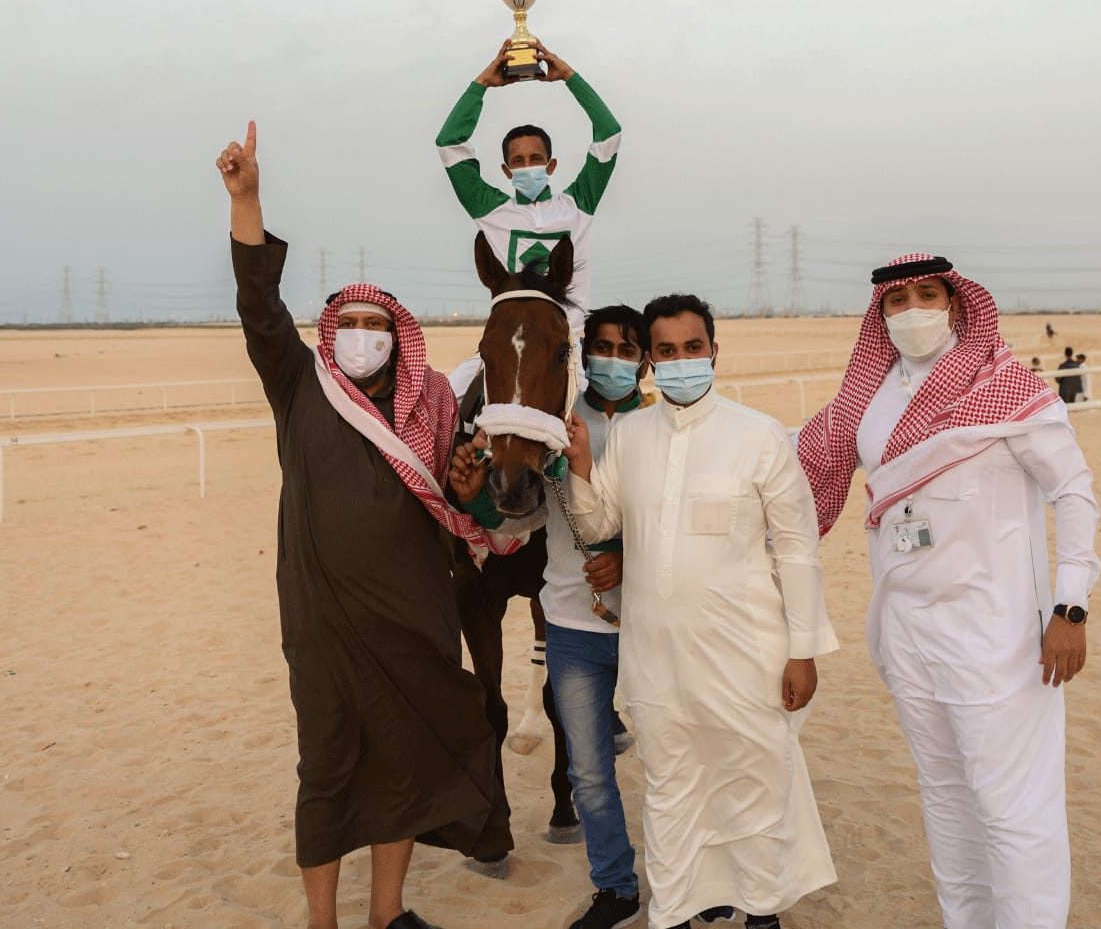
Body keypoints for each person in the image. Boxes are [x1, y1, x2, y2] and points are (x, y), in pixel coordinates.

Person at [217, 121, 512, 929]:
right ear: (327, 334)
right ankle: (323, 921)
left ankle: (387, 914)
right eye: (349, 324)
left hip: (416, 613)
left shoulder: (434, 406)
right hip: (321, 616)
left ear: (399, 339)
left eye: (378, 327)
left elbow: (475, 508)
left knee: (406, 761)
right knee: (328, 766)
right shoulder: (298, 386)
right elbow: (256, 304)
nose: (362, 337)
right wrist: (248, 201)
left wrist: (476, 489)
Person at [797, 253, 1101, 929]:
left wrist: (1071, 606)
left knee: (1012, 808)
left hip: (998, 633)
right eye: (896, 301)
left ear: (957, 304)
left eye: (926, 294)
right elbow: (797, 455)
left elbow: (1074, 493)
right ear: (880, 314)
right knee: (944, 797)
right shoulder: (869, 401)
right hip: (906, 629)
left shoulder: (1009, 386)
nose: (912, 311)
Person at [562, 293, 838, 929]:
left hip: (746, 655)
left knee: (753, 783)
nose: (682, 360)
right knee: (671, 788)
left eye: (694, 348)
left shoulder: (760, 436)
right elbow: (600, 519)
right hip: (655, 658)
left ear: (715, 351)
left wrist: (804, 650)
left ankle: (762, 911)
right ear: (651, 364)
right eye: (667, 352)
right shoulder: (630, 435)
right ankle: (678, 910)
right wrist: (580, 465)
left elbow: (798, 552)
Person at [450, 305, 651, 929]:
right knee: (592, 776)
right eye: (603, 347)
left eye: (627, 349)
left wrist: (624, 558)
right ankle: (616, 890)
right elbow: (528, 519)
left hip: (654, 622)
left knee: (676, 764)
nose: (612, 359)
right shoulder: (551, 425)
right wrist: (474, 502)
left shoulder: (663, 425)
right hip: (573, 621)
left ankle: (699, 882)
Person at [435, 39, 622, 341]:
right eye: (518, 161)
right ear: (507, 171)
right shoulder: (489, 209)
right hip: (510, 345)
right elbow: (449, 144)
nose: (527, 165)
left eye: (536, 159)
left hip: (570, 345)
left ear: (551, 166)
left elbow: (609, 133)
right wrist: (483, 83)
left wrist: (568, 76)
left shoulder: (579, 204)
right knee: (454, 387)